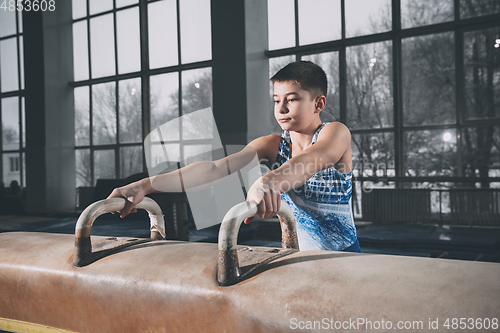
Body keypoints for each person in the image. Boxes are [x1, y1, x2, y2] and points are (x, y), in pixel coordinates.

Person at [108, 60, 361, 252]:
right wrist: (146, 184)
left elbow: (310, 160)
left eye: (292, 100)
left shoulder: (335, 133)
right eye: (276, 100)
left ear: (319, 104)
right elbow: (213, 169)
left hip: (346, 258)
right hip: (301, 259)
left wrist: (268, 181)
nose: (281, 109)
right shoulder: (272, 145)